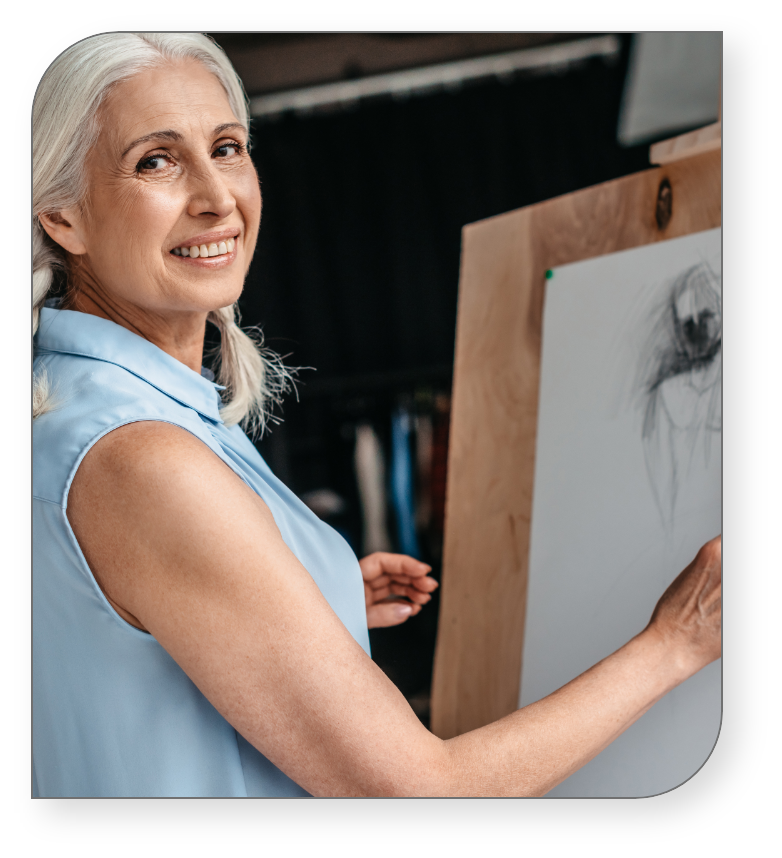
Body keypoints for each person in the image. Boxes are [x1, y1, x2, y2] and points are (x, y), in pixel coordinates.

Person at [32, 33, 721, 798]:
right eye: (156, 161)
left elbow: (113, 636)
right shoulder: (140, 457)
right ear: (62, 215)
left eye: (227, 148)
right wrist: (677, 642)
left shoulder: (76, 407)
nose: (217, 197)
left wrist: (308, 596)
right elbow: (422, 790)